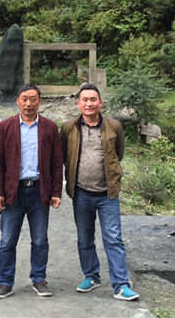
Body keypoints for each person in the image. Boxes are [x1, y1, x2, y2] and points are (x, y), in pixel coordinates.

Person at [60, 83, 139, 301]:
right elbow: (64, 156)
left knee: (113, 239)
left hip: (107, 194)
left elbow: (118, 154)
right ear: (78, 103)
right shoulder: (68, 128)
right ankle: (92, 276)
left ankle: (121, 285)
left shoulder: (114, 127)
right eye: (84, 100)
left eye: (93, 99)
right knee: (84, 238)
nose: (89, 103)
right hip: (81, 194)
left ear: (100, 103)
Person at [0, 84, 63, 299]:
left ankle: (39, 279)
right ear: (18, 101)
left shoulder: (50, 127)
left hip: (39, 191)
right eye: (24, 99)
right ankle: (5, 283)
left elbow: (56, 163)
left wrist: (56, 192)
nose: (28, 103)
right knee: (7, 240)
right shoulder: (6, 126)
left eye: (33, 99)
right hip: (13, 192)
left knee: (40, 239)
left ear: (39, 101)